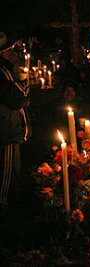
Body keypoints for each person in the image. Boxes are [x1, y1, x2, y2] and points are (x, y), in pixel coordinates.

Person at [0, 32, 32, 208]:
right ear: (3, 52)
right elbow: (17, 98)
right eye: (10, 49)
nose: (13, 52)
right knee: (7, 169)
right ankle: (4, 203)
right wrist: (24, 82)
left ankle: (13, 198)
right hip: (7, 128)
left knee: (13, 166)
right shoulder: (4, 71)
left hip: (7, 127)